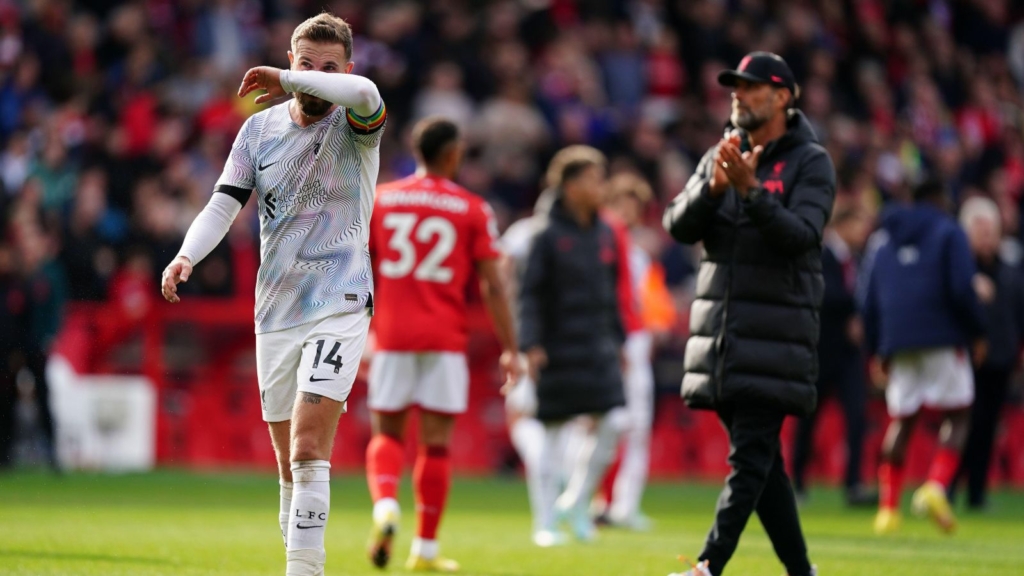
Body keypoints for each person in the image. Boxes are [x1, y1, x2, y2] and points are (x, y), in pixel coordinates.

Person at [160, 13, 386, 576]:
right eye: (304, 64)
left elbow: (366, 92)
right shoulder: (257, 131)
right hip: (276, 310)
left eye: (326, 68)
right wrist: (187, 254)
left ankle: (304, 569)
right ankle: (299, 551)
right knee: (289, 467)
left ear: (344, 69)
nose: (314, 76)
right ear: (292, 59)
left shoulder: (357, 123)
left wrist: (288, 81)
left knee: (311, 448)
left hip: (340, 301)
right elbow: (223, 204)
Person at [662, 52, 833, 576]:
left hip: (776, 334)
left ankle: (707, 566)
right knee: (763, 464)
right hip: (723, 336)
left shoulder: (811, 162)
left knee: (751, 458)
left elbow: (801, 238)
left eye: (751, 87)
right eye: (735, 86)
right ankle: (802, 573)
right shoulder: (722, 153)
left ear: (783, 97)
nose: (738, 94)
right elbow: (677, 225)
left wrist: (751, 193)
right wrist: (715, 190)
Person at [364, 117, 520, 572]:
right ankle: (426, 550)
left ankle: (385, 505)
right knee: (435, 447)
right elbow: (493, 286)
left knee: (388, 433)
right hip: (444, 338)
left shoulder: (382, 199)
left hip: (391, 334)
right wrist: (510, 346)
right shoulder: (472, 208)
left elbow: (356, 265)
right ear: (452, 154)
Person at [862, 179, 987, 536]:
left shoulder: (882, 239)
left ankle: (888, 511)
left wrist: (877, 349)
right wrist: (977, 333)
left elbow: (867, 300)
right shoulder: (949, 232)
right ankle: (936, 486)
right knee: (960, 414)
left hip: (897, 340)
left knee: (903, 418)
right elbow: (962, 288)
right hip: (943, 336)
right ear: (939, 199)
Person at [516, 145, 626, 544]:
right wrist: (530, 343)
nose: (603, 186)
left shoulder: (604, 232)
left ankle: (576, 502)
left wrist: (621, 340)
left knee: (614, 422)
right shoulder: (544, 234)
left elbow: (610, 291)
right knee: (551, 433)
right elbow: (528, 294)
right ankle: (544, 523)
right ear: (571, 186)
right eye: (595, 179)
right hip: (557, 347)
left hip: (597, 346)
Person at [790, 206, 876, 506]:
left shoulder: (858, 259)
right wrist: (855, 310)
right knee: (808, 421)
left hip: (849, 355)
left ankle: (854, 484)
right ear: (843, 224)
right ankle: (798, 481)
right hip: (820, 351)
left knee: (857, 417)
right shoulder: (822, 255)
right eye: (859, 223)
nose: (863, 231)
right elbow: (822, 293)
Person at [600, 173, 667, 530]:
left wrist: (654, 329)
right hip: (603, 348)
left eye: (633, 207)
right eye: (620, 205)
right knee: (594, 428)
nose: (626, 214)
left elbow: (652, 307)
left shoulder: (640, 256)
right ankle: (588, 501)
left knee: (638, 429)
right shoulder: (595, 247)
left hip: (636, 348)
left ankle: (626, 506)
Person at [951, 197, 1023, 509]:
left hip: (1001, 359)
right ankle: (947, 487)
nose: (988, 237)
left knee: (987, 428)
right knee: (963, 426)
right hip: (967, 359)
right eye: (981, 231)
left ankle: (977, 493)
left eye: (991, 230)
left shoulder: (1010, 271)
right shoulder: (958, 271)